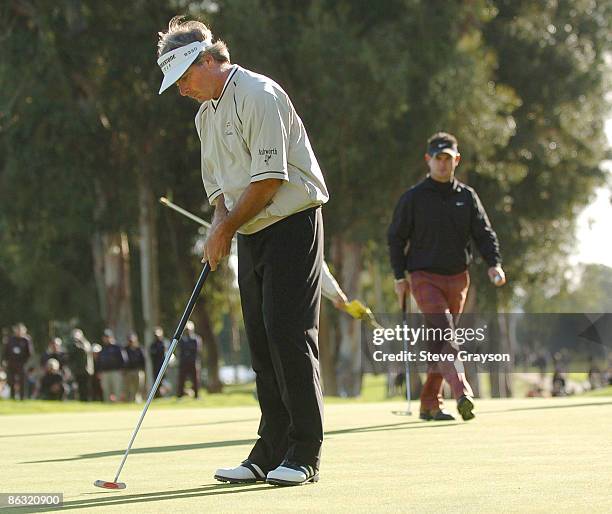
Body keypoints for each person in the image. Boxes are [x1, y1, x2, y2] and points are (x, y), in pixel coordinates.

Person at [156, 16, 328, 486]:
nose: (182, 90)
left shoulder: (258, 94)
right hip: (249, 229)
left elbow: (270, 179)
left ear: (208, 60)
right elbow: (219, 190)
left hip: (292, 222)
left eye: (185, 78)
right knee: (259, 337)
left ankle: (304, 452)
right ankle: (269, 450)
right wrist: (219, 225)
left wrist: (226, 229)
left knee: (288, 332)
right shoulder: (203, 116)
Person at [388, 132, 505, 422]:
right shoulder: (413, 198)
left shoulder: (467, 197)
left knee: (439, 342)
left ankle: (429, 403)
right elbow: (395, 237)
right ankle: (462, 390)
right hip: (423, 276)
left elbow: (484, 233)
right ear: (428, 160)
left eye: (447, 159)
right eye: (437, 158)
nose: (442, 164)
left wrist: (494, 264)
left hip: (458, 278)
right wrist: (399, 276)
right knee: (446, 333)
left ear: (456, 160)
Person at [1, 323, 33, 400]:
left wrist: (26, 363)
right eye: (17, 330)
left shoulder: (26, 340)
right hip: (11, 363)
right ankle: (12, 396)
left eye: (20, 330)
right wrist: (4, 361)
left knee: (22, 381)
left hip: (22, 364)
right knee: (11, 380)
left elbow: (30, 353)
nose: (19, 332)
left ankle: (22, 397)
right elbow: (5, 351)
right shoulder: (11, 340)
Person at [97, 329, 127, 402]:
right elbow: (99, 361)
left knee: (117, 390)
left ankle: (118, 405)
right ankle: (107, 405)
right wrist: (99, 371)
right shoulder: (103, 349)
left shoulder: (117, 347)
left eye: (107, 337)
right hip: (105, 372)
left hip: (116, 372)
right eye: (105, 337)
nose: (106, 338)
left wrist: (122, 369)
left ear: (111, 337)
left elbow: (124, 359)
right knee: (106, 391)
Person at [66, 328, 94, 401]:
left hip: (86, 370)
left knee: (86, 387)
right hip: (78, 370)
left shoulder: (85, 343)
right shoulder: (74, 345)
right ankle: (81, 400)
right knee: (79, 387)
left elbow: (85, 351)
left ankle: (87, 400)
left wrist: (78, 345)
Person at [176, 321, 202, 399]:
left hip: (193, 362)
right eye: (186, 330)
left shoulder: (196, 339)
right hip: (184, 362)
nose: (187, 331)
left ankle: (196, 395)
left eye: (189, 329)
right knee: (181, 379)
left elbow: (197, 350)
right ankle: (180, 396)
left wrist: (188, 351)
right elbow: (180, 350)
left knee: (195, 380)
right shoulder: (182, 340)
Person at [124, 333, 146, 402]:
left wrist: (143, 370)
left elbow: (143, 360)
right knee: (128, 387)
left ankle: (137, 400)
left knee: (138, 387)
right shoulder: (125, 349)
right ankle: (129, 400)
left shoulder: (139, 349)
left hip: (138, 371)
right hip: (129, 371)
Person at [149, 327, 168, 398]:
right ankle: (157, 396)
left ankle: (164, 395)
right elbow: (152, 354)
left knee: (164, 382)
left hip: (164, 366)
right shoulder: (153, 345)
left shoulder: (165, 343)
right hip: (156, 367)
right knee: (156, 382)